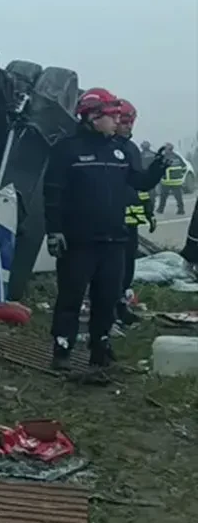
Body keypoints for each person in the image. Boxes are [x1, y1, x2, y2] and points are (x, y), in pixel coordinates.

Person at [44, 89, 165, 376]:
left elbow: (140, 181)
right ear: (93, 116)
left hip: (114, 241)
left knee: (106, 299)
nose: (117, 121)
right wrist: (54, 231)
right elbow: (53, 193)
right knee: (70, 298)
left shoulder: (119, 150)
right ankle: (62, 350)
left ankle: (100, 351)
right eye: (112, 116)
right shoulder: (67, 149)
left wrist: (159, 165)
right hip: (79, 242)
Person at [112, 101, 155, 327]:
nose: (129, 127)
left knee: (127, 266)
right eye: (125, 122)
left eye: (131, 122)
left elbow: (140, 184)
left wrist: (148, 210)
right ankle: (107, 308)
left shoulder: (131, 148)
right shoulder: (107, 147)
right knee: (111, 268)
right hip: (109, 220)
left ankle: (121, 306)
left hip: (130, 221)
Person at [155, 143, 188, 215]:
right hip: (176, 181)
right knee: (178, 197)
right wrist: (180, 176)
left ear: (167, 149)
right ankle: (181, 210)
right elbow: (184, 167)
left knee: (163, 196)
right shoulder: (177, 156)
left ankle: (160, 209)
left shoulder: (165, 157)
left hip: (166, 182)